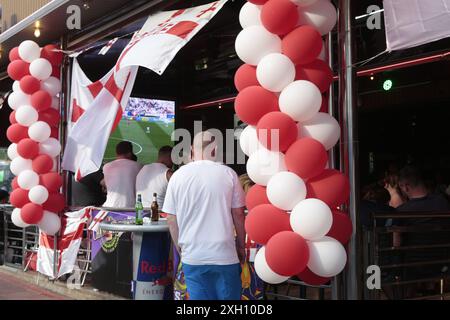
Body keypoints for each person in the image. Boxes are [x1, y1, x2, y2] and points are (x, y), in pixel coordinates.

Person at [163, 131, 246, 300]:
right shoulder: (229, 173)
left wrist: (180, 246)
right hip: (224, 254)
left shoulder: (177, 176)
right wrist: (241, 244)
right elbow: (238, 213)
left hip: (193, 255)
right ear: (215, 150)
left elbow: (171, 218)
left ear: (192, 149)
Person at [102, 141, 142, 208]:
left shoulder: (106, 166)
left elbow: (103, 182)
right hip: (129, 208)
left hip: (109, 206)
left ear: (116, 153)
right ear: (130, 153)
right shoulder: (139, 166)